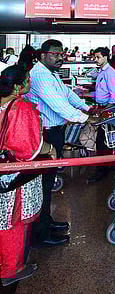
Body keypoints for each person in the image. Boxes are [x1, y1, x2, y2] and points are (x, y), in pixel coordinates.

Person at [27, 39, 97, 247]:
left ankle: (46, 221)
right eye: (54, 54)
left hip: (55, 131)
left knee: (48, 182)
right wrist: (85, 118)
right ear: (43, 55)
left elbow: (67, 95)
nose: (59, 58)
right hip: (46, 135)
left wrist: (87, 108)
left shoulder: (52, 74)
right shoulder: (39, 74)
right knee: (44, 183)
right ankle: (40, 235)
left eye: (61, 54)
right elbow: (58, 105)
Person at [0, 65, 57, 286]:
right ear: (17, 87)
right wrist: (50, 149)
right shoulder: (21, 107)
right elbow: (28, 146)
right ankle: (11, 270)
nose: (30, 84)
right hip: (14, 175)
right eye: (27, 81)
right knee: (12, 222)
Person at [87, 47, 115, 184]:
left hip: (107, 109)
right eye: (95, 57)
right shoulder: (101, 72)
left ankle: (102, 169)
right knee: (105, 140)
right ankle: (107, 166)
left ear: (106, 57)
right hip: (101, 107)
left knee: (103, 141)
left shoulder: (111, 73)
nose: (96, 60)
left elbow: (114, 95)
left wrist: (105, 111)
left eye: (98, 57)